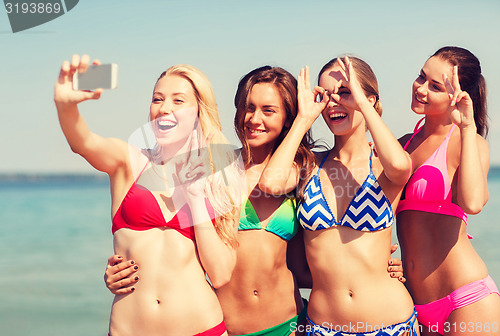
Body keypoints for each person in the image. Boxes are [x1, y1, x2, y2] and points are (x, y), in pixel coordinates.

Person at [104, 65, 406, 336]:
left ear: (287, 115)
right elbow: (166, 238)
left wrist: (379, 268)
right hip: (225, 323)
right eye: (248, 108)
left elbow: (319, 253)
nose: (254, 119)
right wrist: (123, 273)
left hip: (290, 323)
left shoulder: (302, 170)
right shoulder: (210, 168)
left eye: (268, 110)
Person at [54, 54, 240, 336]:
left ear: (199, 111)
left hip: (202, 328)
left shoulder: (219, 177)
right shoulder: (128, 161)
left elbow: (220, 274)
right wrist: (65, 106)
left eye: (178, 100)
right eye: (157, 99)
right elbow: (83, 142)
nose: (164, 108)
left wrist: (196, 199)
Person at [259, 56, 418, 335]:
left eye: (344, 92)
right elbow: (270, 183)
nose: (333, 102)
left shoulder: (382, 164)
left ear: (367, 97)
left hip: (391, 325)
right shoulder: (310, 165)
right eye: (325, 95)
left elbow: (402, 166)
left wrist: (361, 101)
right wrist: (303, 118)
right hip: (323, 327)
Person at [396, 46, 500, 335]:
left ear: (457, 95)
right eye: (421, 77)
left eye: (435, 86)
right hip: (416, 306)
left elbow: (473, 202)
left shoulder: (469, 142)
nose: (421, 88)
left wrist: (467, 127)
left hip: (466, 301)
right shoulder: (402, 144)